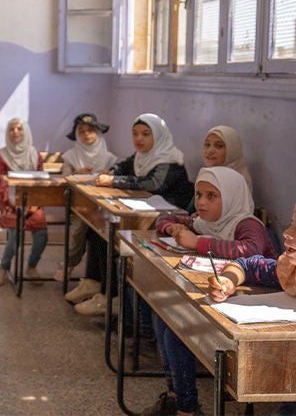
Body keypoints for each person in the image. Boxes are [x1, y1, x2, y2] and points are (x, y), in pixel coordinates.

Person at [143, 167, 275, 416]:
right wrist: (173, 229)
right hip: (219, 298)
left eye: (211, 196)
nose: (201, 202)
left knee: (176, 328)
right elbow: (165, 218)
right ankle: (176, 397)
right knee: (163, 313)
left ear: (232, 196)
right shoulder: (204, 221)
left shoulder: (246, 223)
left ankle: (187, 408)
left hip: (250, 314)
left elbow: (250, 250)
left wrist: (198, 242)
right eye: (199, 194)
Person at [69, 113, 193, 315]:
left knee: (110, 238)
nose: (139, 139)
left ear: (159, 136)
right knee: (97, 233)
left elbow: (152, 184)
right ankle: (96, 284)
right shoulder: (142, 157)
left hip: (163, 223)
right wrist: (112, 171)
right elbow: (124, 165)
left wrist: (113, 181)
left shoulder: (169, 161)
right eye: (135, 134)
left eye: (146, 134)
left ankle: (112, 298)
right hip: (144, 216)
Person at [57, 113, 118, 282]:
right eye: (81, 131)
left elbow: (115, 179)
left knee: (108, 230)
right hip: (80, 205)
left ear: (98, 133)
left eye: (90, 130)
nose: (86, 135)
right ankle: (69, 264)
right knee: (78, 230)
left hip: (105, 205)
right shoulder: (71, 156)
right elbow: (65, 178)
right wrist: (76, 173)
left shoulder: (109, 158)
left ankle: (99, 280)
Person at [0, 117, 48, 286]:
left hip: (33, 203)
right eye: (12, 129)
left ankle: (31, 267)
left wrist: (35, 203)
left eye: (19, 129)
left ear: (26, 131)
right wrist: (14, 202)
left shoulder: (34, 154)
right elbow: (1, 184)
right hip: (11, 203)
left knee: (42, 236)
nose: (16, 132)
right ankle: (3, 267)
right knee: (16, 234)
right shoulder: (2, 155)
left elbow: (41, 181)